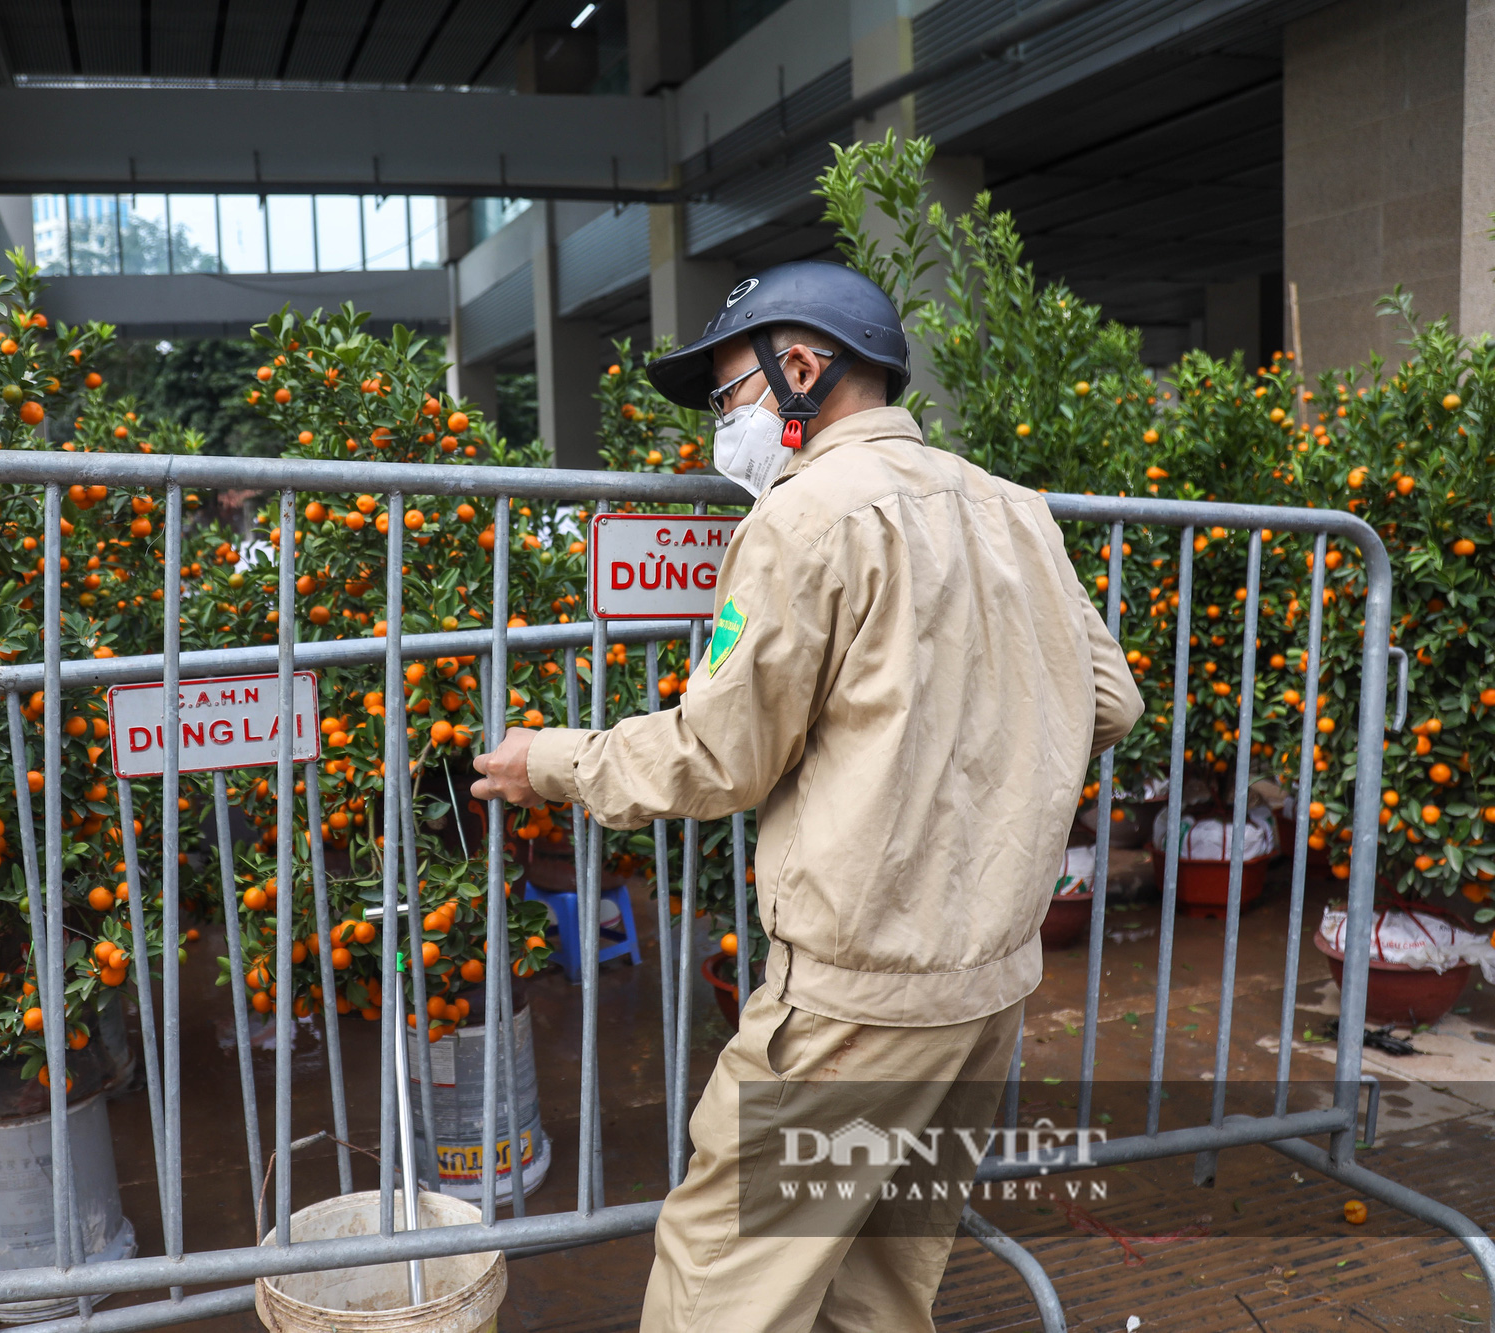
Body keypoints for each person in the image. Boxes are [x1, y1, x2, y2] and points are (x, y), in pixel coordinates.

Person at [470, 260, 1142, 1332]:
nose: (717, 423)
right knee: (880, 1288)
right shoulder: (1012, 509)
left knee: (720, 1283)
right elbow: (1107, 698)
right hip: (985, 985)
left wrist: (548, 760)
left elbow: (713, 756)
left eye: (725, 392)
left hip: (855, 1002)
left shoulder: (804, 516)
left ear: (799, 367)